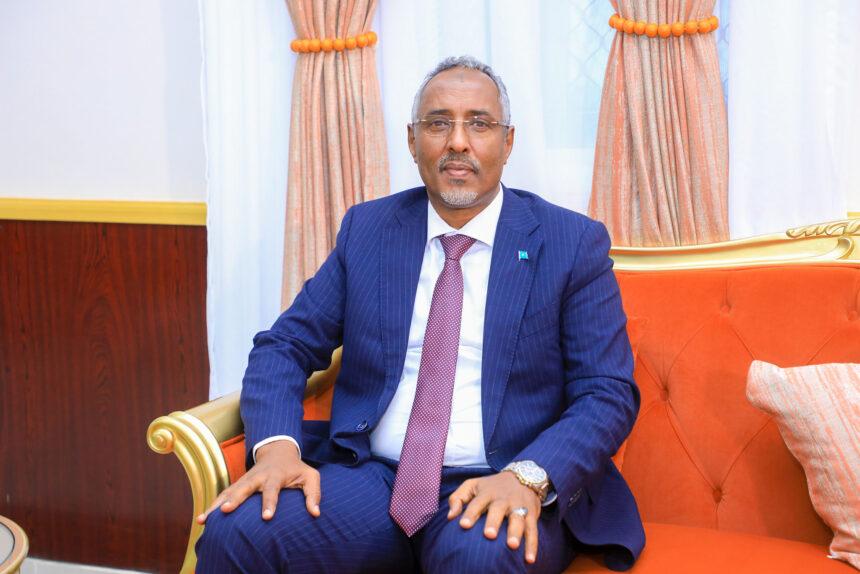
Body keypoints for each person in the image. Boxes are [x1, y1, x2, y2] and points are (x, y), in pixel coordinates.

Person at [195, 55, 645, 573]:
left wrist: (529, 476)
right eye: (438, 123)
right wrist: (276, 448)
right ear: (412, 141)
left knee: (480, 560)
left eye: (479, 124)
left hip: (499, 479)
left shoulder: (570, 243)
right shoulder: (369, 230)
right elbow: (285, 346)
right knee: (237, 533)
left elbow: (606, 392)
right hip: (372, 480)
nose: (458, 142)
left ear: (508, 142)